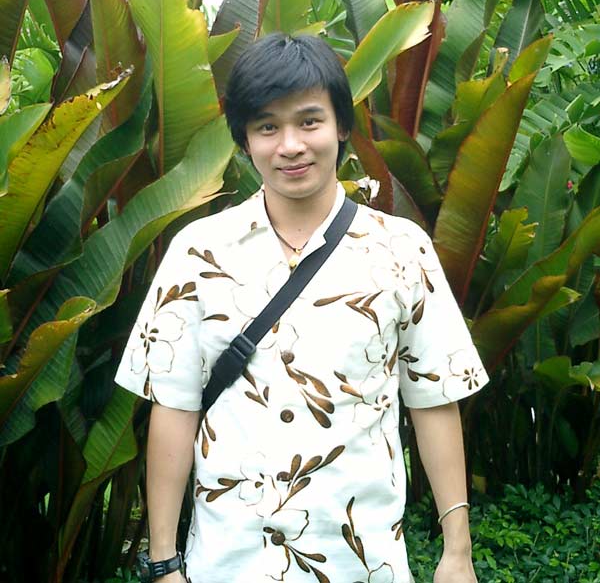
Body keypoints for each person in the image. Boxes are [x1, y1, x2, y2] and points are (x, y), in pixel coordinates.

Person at [115, 32, 489, 583]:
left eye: (309, 121)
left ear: (341, 126)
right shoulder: (197, 253)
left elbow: (433, 398)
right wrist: (165, 563)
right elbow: (174, 408)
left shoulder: (401, 250)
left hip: (363, 563)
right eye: (267, 127)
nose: (290, 145)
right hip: (228, 563)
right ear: (245, 140)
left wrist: (458, 551)